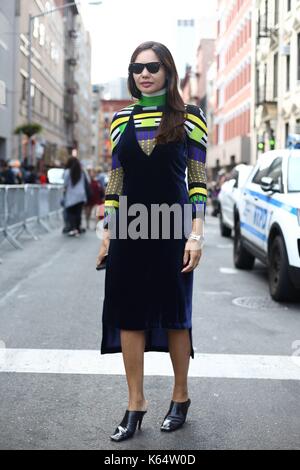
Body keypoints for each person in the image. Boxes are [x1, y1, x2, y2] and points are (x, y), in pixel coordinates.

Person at [96, 41, 207, 442]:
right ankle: (135, 403)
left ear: (167, 71)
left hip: (174, 226)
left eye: (153, 67)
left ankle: (180, 396)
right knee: (129, 313)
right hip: (128, 226)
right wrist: (108, 232)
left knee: (175, 313)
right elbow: (116, 177)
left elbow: (197, 180)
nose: (144, 73)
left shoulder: (190, 116)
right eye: (137, 67)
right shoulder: (121, 118)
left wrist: (196, 234)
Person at [63, 157, 87, 237]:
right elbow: (86, 182)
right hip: (81, 195)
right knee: (78, 213)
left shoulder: (67, 172)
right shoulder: (81, 172)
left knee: (70, 213)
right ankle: (77, 228)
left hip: (71, 196)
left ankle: (73, 229)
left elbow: (65, 184)